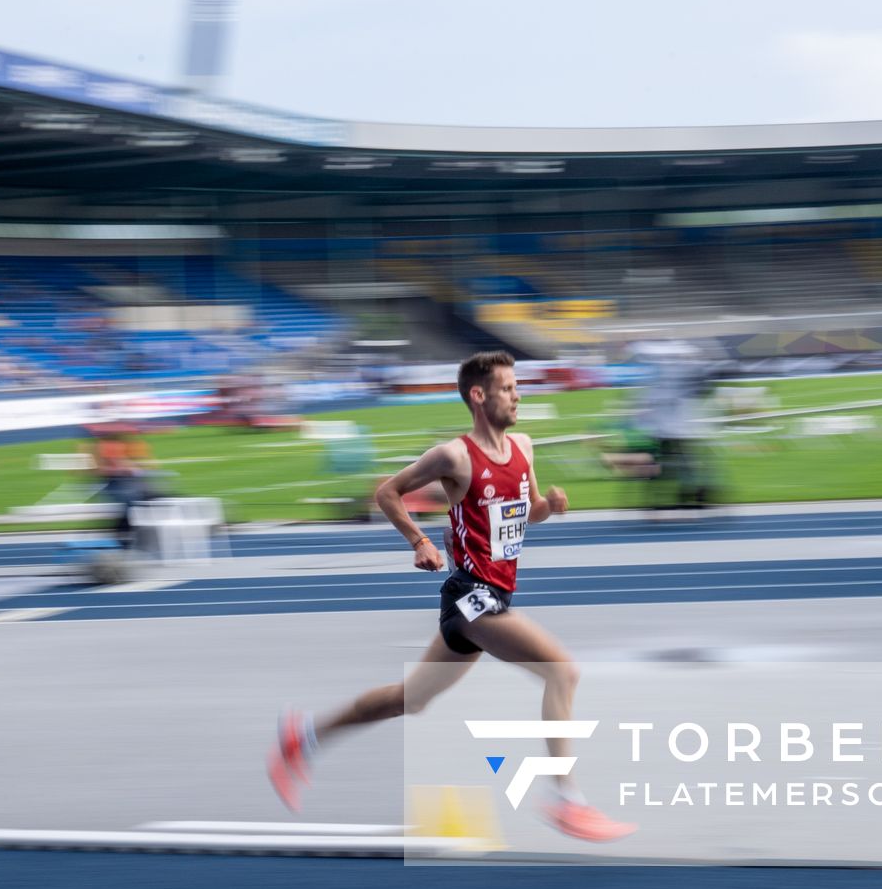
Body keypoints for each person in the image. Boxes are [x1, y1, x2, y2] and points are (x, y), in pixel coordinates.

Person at [268, 351, 635, 842]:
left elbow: (524, 515)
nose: (518, 395)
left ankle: (304, 738)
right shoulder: (454, 457)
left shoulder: (524, 447)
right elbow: (388, 492)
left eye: (517, 386)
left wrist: (550, 506)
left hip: (494, 597)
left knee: (410, 699)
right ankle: (568, 800)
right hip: (469, 596)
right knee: (561, 670)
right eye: (508, 388)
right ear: (479, 396)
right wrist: (419, 541)